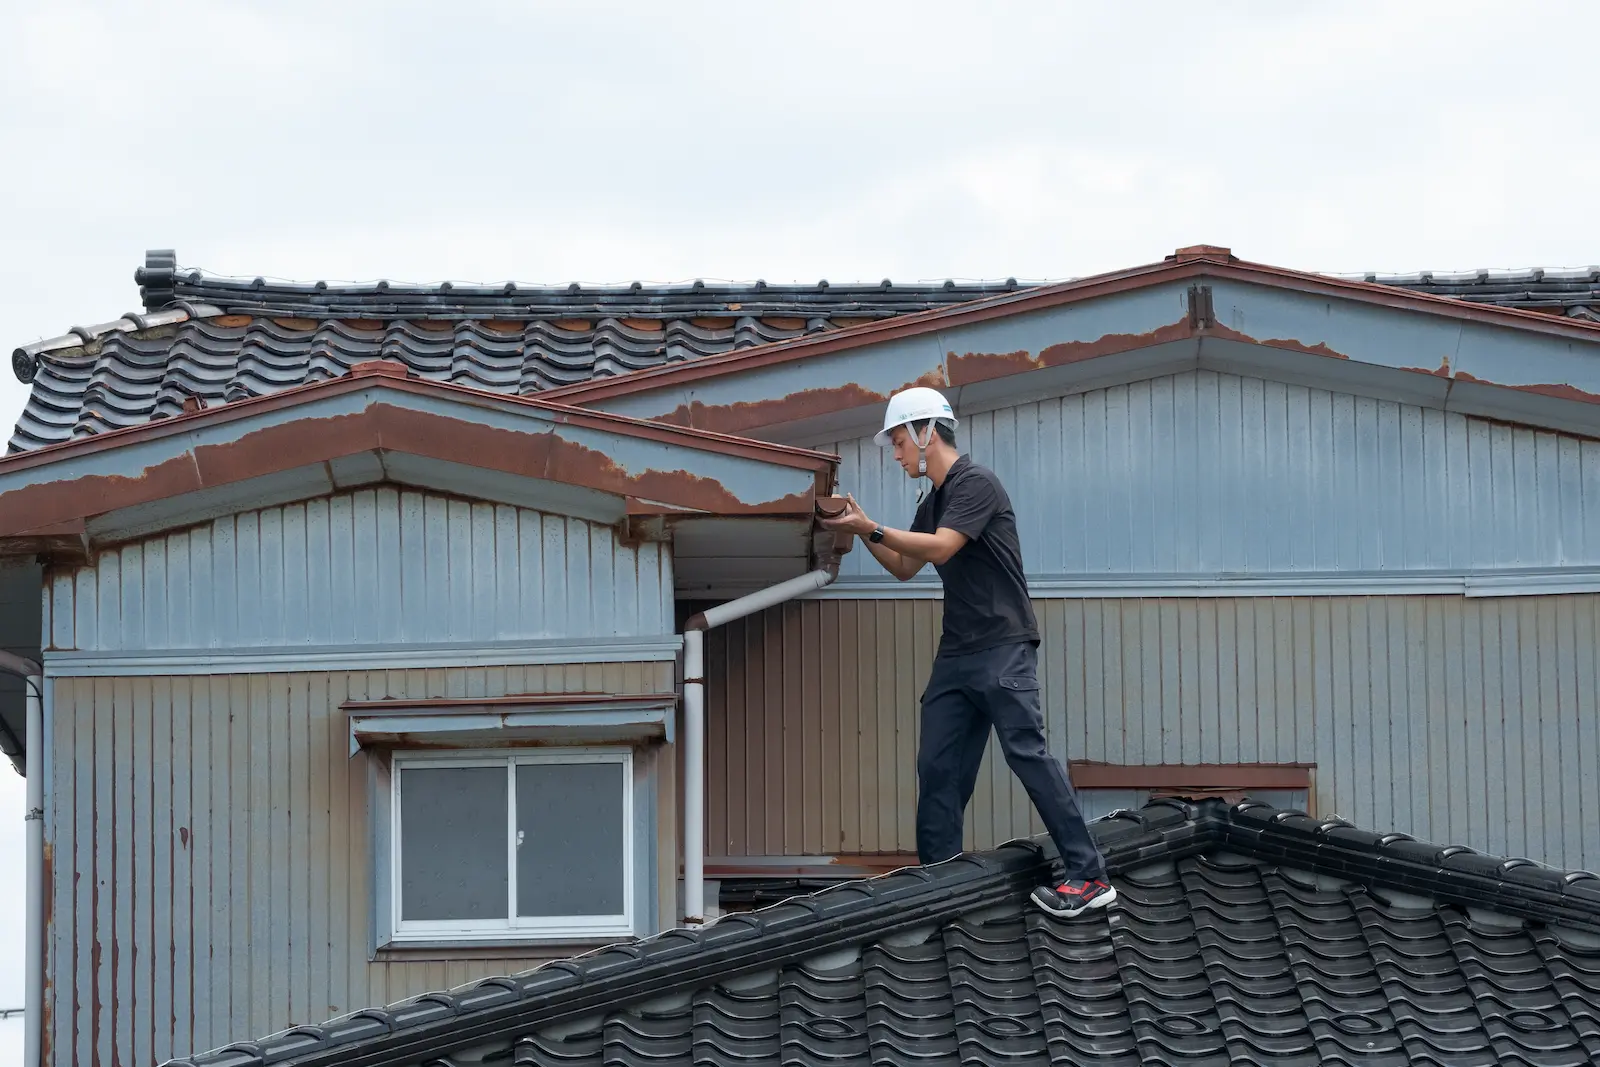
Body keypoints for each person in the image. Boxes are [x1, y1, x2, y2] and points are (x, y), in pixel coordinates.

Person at [820, 386, 1116, 918]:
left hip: (1003, 645)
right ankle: (937, 886)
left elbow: (942, 548)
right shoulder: (932, 500)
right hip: (956, 654)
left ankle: (1090, 876)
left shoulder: (975, 483)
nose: (895, 453)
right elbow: (906, 567)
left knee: (1026, 752)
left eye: (897, 442)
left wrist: (873, 527)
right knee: (937, 767)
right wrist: (862, 530)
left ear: (926, 432)